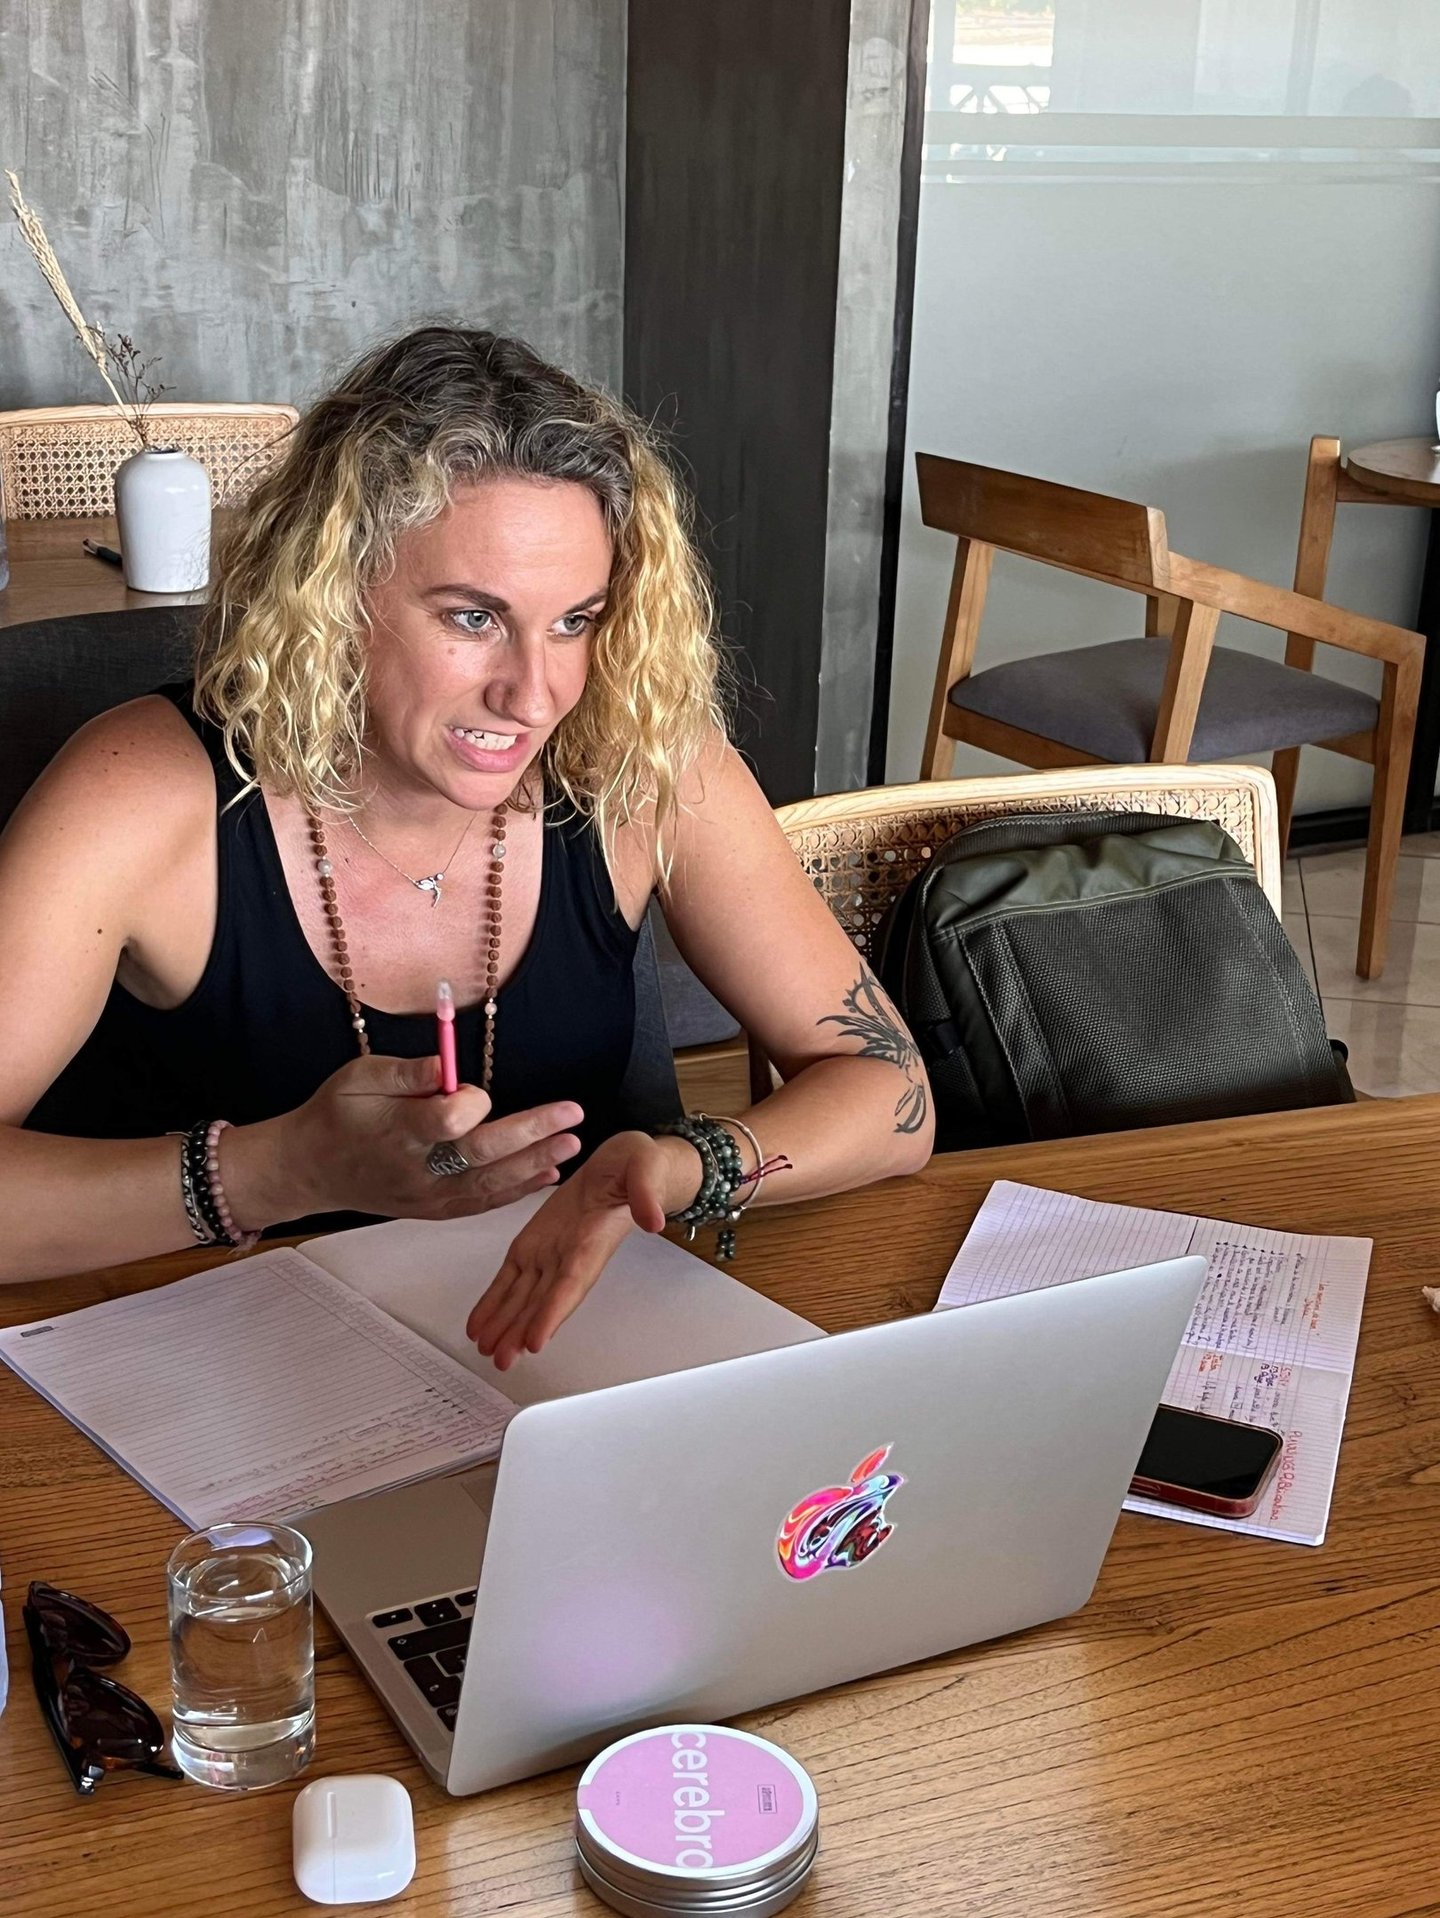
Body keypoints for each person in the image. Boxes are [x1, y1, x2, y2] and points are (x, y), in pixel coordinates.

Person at [0, 326, 933, 1363]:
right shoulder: (137, 792)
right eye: (474, 618)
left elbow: (891, 1089)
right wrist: (278, 1172)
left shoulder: (642, 759)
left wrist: (682, 1168)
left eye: (574, 621)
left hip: (542, 1358)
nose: (534, 695)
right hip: (191, 1371)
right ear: (333, 591)